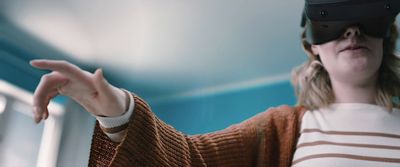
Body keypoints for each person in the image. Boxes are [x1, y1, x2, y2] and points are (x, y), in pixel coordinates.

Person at [30, 0, 400, 166]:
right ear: (313, 46)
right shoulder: (286, 128)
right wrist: (117, 113)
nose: (352, 32)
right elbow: (192, 160)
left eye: (366, 20)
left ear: (389, 36)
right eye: (335, 22)